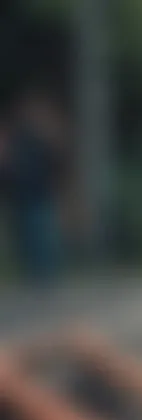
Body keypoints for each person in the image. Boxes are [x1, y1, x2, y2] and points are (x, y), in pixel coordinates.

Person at [4, 91, 66, 285]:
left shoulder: (43, 138)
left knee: (43, 237)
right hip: (23, 196)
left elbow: (56, 163)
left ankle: (45, 277)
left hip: (40, 195)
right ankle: (35, 276)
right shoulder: (19, 137)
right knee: (28, 238)